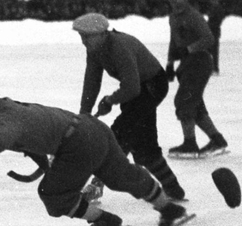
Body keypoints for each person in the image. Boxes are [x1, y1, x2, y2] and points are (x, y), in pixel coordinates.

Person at [0, 77, 191, 226]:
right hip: (91, 128)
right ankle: (169, 207)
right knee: (123, 177)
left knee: (53, 194)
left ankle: (104, 219)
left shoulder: (7, 118)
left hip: (78, 143)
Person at [72, 12, 186, 201]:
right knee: (144, 146)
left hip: (152, 85)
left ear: (102, 34)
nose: (84, 41)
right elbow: (92, 81)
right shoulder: (94, 50)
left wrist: (110, 100)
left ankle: (96, 185)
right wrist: (85, 112)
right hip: (137, 90)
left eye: (87, 37)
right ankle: (173, 188)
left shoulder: (120, 46)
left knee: (118, 135)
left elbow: (131, 87)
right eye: (81, 36)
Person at [163, 0, 228, 158]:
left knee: (184, 101)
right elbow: (173, 41)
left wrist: (189, 49)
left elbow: (209, 38)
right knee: (194, 103)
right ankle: (217, 140)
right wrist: (170, 62)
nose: (172, 0)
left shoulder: (193, 15)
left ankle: (190, 144)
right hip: (186, 64)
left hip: (199, 62)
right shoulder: (173, 17)